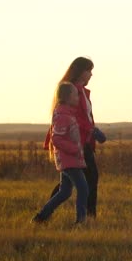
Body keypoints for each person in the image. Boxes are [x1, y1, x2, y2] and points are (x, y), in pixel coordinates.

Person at [43, 56, 105, 220]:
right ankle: (87, 218)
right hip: (77, 142)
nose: (91, 75)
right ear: (80, 71)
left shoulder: (80, 91)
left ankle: (43, 216)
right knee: (88, 179)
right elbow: (75, 119)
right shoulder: (72, 92)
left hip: (83, 141)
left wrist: (93, 131)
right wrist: (92, 131)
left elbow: (85, 117)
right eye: (89, 71)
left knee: (68, 186)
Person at [32, 82, 88, 224]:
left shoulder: (68, 114)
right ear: (68, 97)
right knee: (83, 189)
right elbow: (56, 138)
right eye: (76, 94)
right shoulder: (62, 115)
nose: (78, 97)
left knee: (65, 192)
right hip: (69, 161)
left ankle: (41, 217)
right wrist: (74, 149)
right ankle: (81, 221)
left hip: (70, 160)